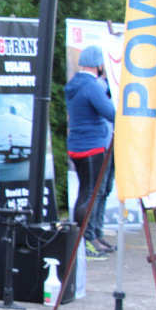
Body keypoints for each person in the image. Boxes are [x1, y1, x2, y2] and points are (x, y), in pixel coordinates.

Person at [65, 45, 116, 259]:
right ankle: (82, 242)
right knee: (90, 194)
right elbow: (111, 113)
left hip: (78, 145)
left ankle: (85, 239)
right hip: (92, 146)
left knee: (86, 192)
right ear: (99, 65)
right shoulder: (92, 86)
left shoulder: (75, 84)